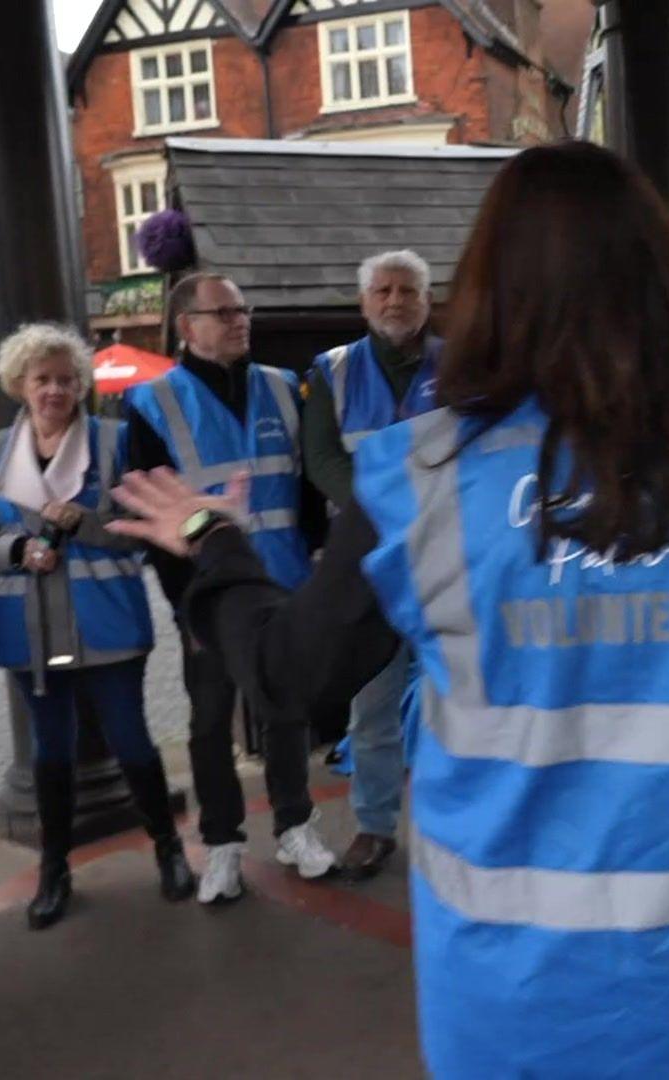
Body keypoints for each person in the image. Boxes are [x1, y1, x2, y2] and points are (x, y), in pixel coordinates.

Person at [111, 138, 669, 1080]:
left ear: (490, 292)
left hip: (509, 1017)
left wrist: (212, 540)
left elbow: (287, 676)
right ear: (667, 284)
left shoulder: (419, 477)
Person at [0, 323, 197, 929]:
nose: (55, 390)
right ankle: (54, 869)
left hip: (108, 622)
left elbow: (142, 523)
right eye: (43, 379)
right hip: (31, 629)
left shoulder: (116, 441)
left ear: (82, 384)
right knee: (51, 754)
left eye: (67, 379)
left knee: (131, 743)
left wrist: (87, 522)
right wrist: (19, 551)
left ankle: (169, 850)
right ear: (20, 384)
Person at [124, 272, 336, 899]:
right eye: (224, 312)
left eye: (243, 309)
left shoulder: (281, 387)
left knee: (286, 710)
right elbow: (149, 516)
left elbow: (304, 485)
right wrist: (185, 609)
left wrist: (319, 554)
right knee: (210, 721)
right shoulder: (151, 404)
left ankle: (296, 825)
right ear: (187, 326)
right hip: (209, 594)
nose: (240, 320)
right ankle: (222, 845)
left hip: (283, 580)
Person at [302, 249, 441, 881]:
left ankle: (455, 824)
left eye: (407, 290)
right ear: (363, 303)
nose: (394, 301)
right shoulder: (330, 371)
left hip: (447, 560)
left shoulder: (465, 367)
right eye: (382, 291)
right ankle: (375, 826)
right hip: (370, 564)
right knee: (373, 706)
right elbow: (322, 458)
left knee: (462, 701)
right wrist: (377, 511)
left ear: (426, 301)